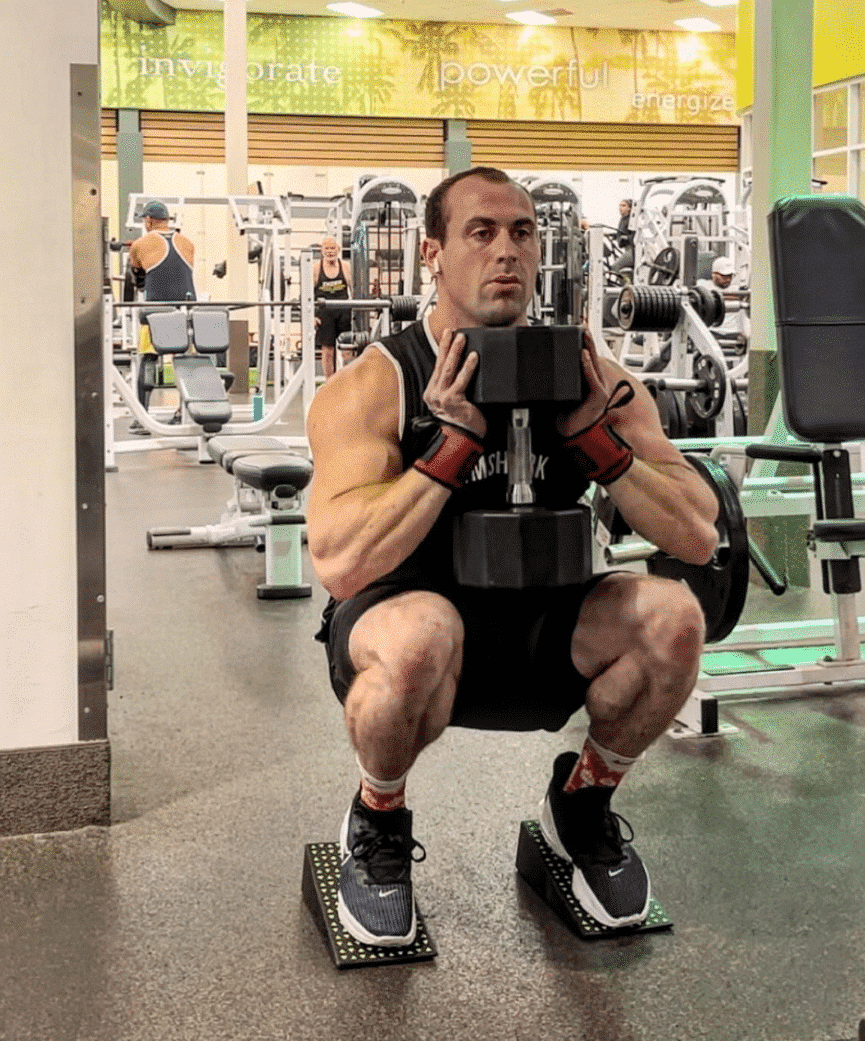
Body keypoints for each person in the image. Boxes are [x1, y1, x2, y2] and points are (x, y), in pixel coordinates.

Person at [306, 167, 719, 948]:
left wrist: (599, 444)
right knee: (421, 630)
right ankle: (379, 817)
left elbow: (697, 533)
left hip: (548, 632)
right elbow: (338, 561)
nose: (506, 251)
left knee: (673, 617)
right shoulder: (377, 383)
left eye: (522, 233)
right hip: (415, 640)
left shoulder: (591, 376)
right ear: (432, 253)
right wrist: (448, 450)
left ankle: (583, 802)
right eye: (480, 232)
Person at [127, 200, 196, 431]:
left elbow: (138, 277)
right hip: (185, 311)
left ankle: (142, 418)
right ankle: (183, 413)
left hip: (156, 312)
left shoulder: (140, 244)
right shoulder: (188, 244)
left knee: (148, 358)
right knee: (184, 361)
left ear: (148, 220)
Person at [313, 236, 353, 379]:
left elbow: (354, 290)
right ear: (322, 250)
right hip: (325, 314)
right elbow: (307, 294)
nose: (330, 251)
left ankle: (348, 382)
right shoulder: (316, 268)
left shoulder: (346, 267)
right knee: (328, 351)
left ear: (338, 249)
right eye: (327, 248)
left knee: (347, 350)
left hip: (344, 311)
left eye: (332, 248)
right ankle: (330, 383)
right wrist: (313, 315)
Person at [698, 255, 750, 346]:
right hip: (712, 331)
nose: (728, 279)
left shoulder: (737, 290)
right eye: (724, 276)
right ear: (714, 274)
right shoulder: (703, 285)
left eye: (730, 276)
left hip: (733, 334)